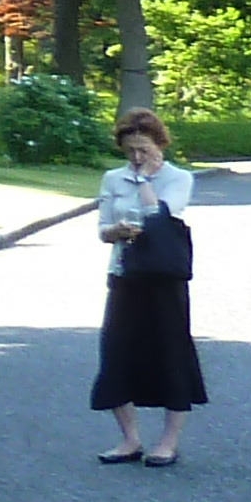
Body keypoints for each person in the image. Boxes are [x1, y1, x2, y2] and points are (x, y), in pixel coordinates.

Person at [91, 108, 206, 465]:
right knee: (116, 351)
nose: (137, 158)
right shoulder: (112, 179)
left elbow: (160, 216)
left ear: (160, 144)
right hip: (125, 273)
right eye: (130, 152)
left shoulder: (178, 178)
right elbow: (103, 230)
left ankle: (168, 442)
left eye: (144, 149)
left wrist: (144, 181)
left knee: (171, 353)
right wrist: (118, 231)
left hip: (163, 276)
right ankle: (130, 439)